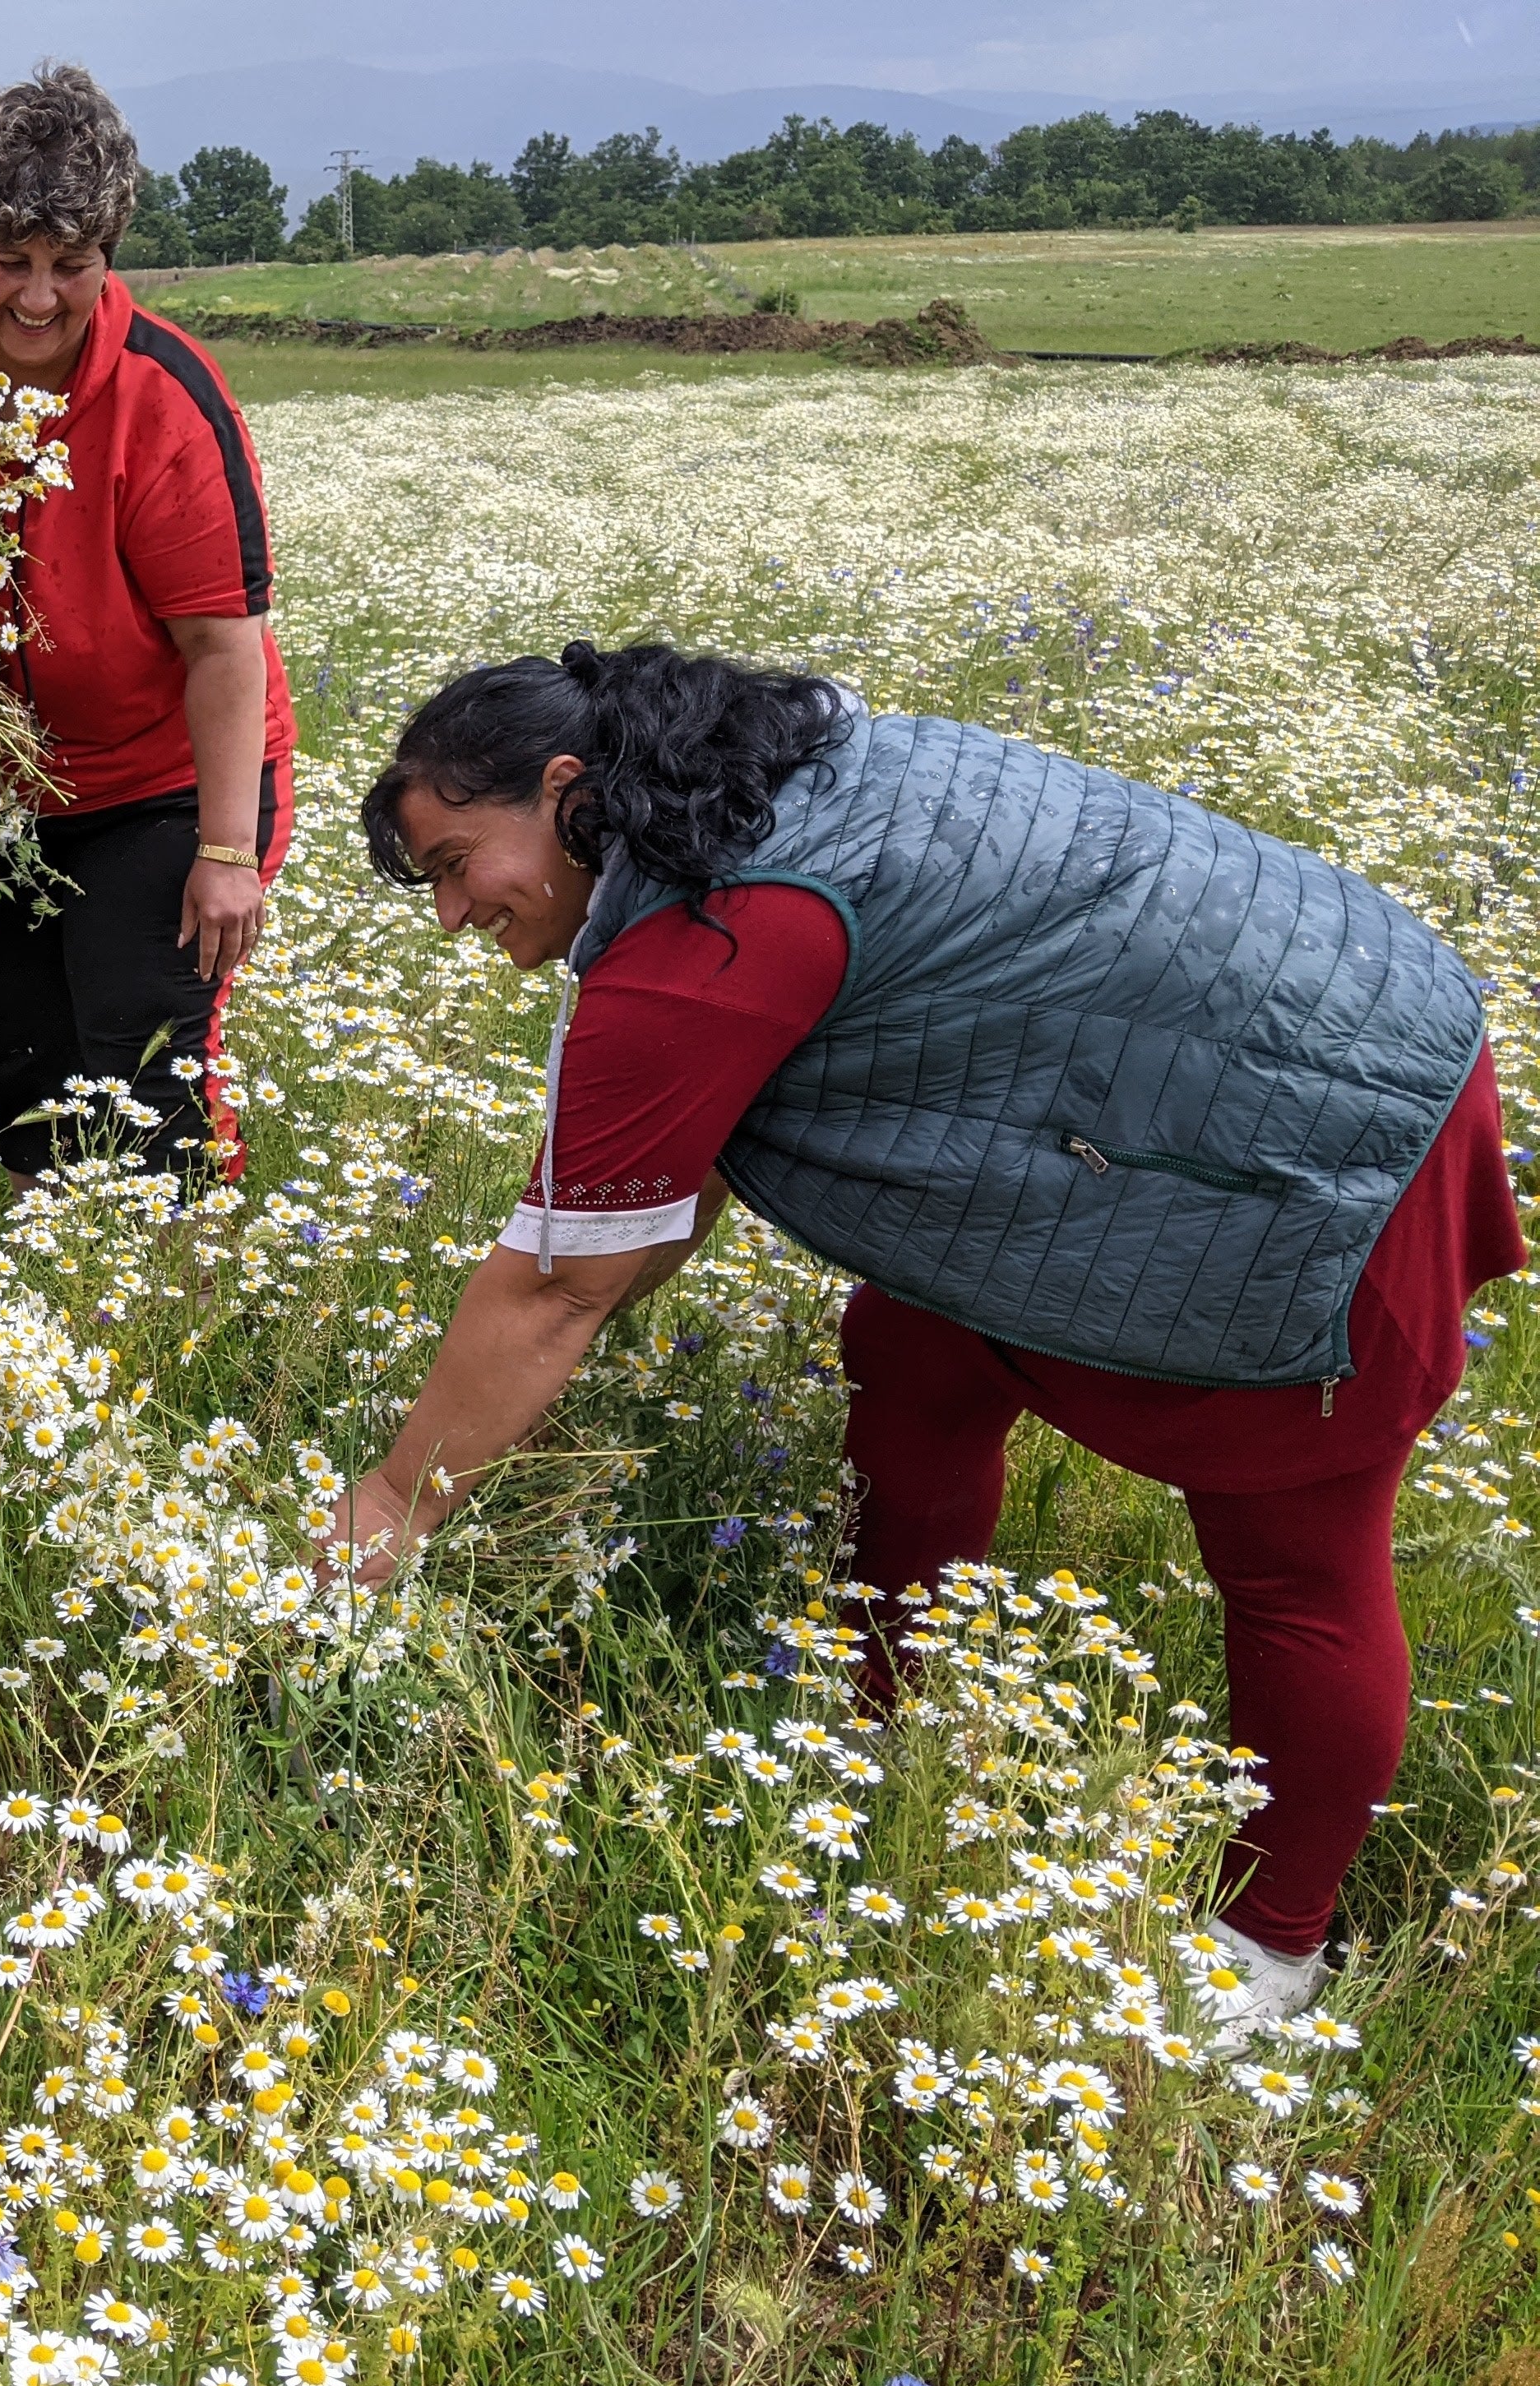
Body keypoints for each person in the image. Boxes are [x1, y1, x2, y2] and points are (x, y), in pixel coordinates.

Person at [336, 641, 1520, 2046]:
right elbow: (655, 1208)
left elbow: (558, 1286)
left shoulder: (708, 931)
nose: (457, 911)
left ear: (566, 786)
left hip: (1316, 1148)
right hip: (1284, 1030)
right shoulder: (763, 793)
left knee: (1293, 1548)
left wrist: (391, 1507)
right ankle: (886, 1695)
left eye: (460, 860)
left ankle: (1270, 1949)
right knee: (914, 1346)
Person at [0, 63, 298, 1191]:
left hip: (166, 785)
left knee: (142, 1070)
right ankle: (62, 1307)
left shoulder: (163, 399)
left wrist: (227, 857)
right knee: (23, 1074)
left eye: (69, 267)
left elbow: (224, 648)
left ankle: (180, 1311)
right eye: (10, 263)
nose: (36, 297)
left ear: (110, 256)